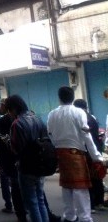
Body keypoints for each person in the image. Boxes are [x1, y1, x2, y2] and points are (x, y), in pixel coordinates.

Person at [47, 87, 104, 222]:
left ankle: (70, 216)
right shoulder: (78, 112)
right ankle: (85, 218)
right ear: (72, 98)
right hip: (76, 154)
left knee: (67, 187)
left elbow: (50, 134)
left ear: (59, 98)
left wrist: (57, 147)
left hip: (60, 153)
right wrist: (96, 156)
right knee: (81, 188)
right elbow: (86, 136)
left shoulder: (52, 114)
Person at [6, 95, 49, 222]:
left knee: (32, 202)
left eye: (9, 110)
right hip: (41, 164)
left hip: (26, 165)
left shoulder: (17, 123)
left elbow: (16, 148)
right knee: (40, 200)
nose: (9, 113)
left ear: (13, 108)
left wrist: (8, 142)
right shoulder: (37, 118)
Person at [73, 98, 107, 211]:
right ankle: (99, 202)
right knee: (97, 178)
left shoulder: (82, 119)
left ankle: (92, 205)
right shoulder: (92, 117)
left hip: (87, 153)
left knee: (89, 179)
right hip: (96, 151)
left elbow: (85, 138)